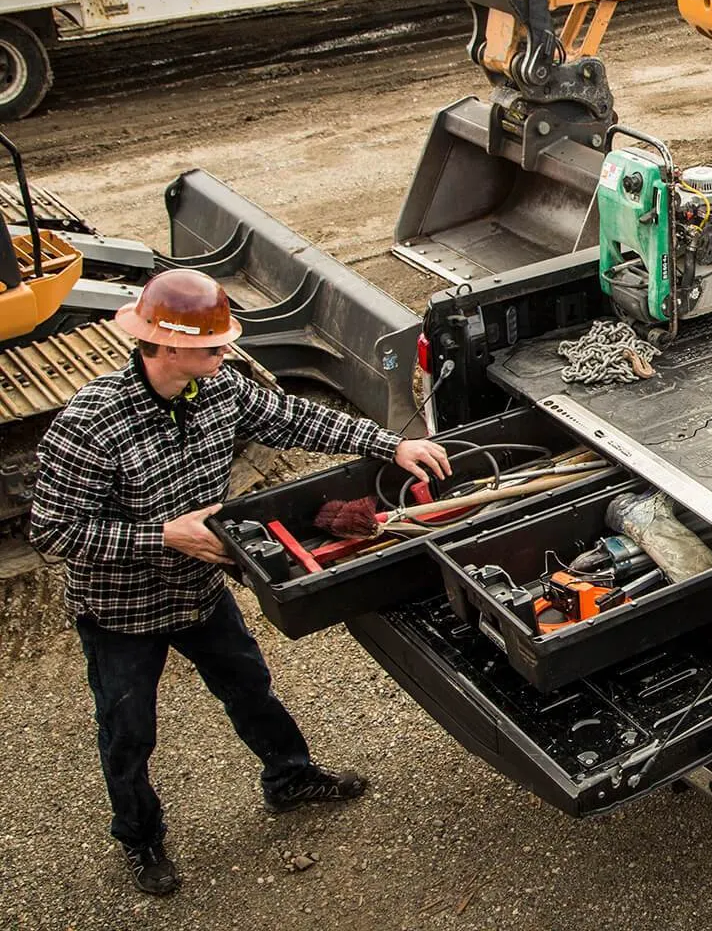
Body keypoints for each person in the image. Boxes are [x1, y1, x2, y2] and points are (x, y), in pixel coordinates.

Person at [28, 269, 452, 897]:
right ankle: (140, 838)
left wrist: (390, 445)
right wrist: (164, 535)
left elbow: (293, 419)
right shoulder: (91, 423)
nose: (227, 355)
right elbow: (54, 532)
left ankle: (289, 778)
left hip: (200, 593)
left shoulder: (218, 389)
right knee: (129, 730)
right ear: (165, 346)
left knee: (251, 688)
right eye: (213, 347)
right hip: (120, 612)